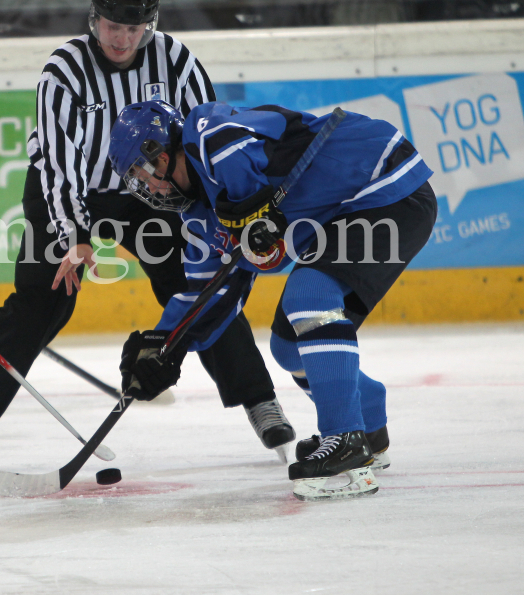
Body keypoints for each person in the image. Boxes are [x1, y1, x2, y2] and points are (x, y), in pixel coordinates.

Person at [0, 0, 295, 473]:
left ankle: (258, 399)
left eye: (133, 27)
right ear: (93, 17)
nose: (121, 38)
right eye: (112, 25)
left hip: (151, 194)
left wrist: (220, 218)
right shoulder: (64, 70)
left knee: (196, 287)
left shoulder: (176, 62)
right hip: (72, 193)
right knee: (41, 301)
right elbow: (56, 163)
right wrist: (74, 235)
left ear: (151, 23)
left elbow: (210, 141)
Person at [107, 99, 436, 500]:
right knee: (288, 346)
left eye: (145, 173)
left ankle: (344, 439)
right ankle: (368, 421)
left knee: (310, 296)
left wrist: (248, 200)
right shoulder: (198, 218)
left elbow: (232, 142)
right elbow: (206, 295)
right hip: (344, 216)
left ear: (160, 148)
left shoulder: (207, 133)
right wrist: (165, 346)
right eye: (138, 181)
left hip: (384, 186)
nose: (150, 187)